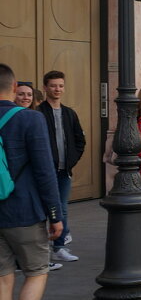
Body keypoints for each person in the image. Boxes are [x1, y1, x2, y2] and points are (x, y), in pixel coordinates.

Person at [0, 63, 63, 300]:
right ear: (14, 89)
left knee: (2, 280)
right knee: (37, 271)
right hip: (24, 211)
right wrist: (55, 214)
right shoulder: (30, 119)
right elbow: (44, 170)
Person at [36, 71, 84, 263]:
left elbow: (80, 140)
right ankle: (40, 251)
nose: (57, 89)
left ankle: (59, 247)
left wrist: (71, 160)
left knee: (62, 209)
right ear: (45, 88)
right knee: (41, 210)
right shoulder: (38, 113)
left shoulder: (69, 113)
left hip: (65, 170)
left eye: (60, 86)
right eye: (53, 85)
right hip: (44, 171)